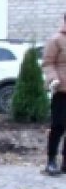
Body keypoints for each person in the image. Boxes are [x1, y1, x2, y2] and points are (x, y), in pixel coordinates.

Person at [42, 13, 66, 176]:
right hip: (62, 91)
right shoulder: (56, 40)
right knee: (58, 126)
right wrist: (54, 79)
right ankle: (51, 161)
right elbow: (48, 63)